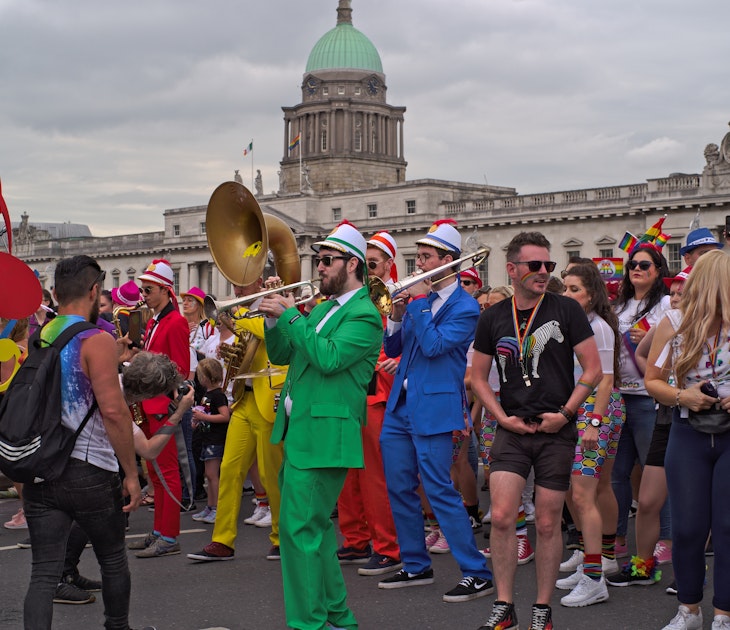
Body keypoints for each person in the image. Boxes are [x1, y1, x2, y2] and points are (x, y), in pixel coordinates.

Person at [471, 232, 601, 630]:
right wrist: (499, 416)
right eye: (535, 266)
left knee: (546, 522)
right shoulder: (494, 315)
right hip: (511, 428)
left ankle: (542, 609)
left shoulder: (565, 309)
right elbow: (476, 377)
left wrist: (566, 413)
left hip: (555, 430)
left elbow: (593, 370)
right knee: (504, 516)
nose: (544, 272)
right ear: (512, 270)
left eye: (549, 265)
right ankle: (505, 604)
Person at [258, 221, 382, 630]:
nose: (319, 267)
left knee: (297, 533)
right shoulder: (325, 308)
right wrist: (276, 317)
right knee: (315, 532)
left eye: (327, 260)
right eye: (318, 260)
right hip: (303, 429)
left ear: (353, 264)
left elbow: (328, 358)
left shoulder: (365, 315)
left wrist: (292, 314)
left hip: (327, 434)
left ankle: (307, 623)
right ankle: (337, 616)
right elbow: (282, 353)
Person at [22, 255, 142, 630]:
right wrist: (131, 473)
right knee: (111, 558)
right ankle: (117, 627)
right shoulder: (97, 339)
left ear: (55, 293)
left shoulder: (38, 336)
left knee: (43, 573)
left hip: (42, 466)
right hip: (89, 468)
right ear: (95, 291)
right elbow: (113, 411)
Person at [378, 219, 494, 603]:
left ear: (448, 261)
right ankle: (415, 564)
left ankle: (476, 572)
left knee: (439, 490)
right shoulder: (417, 303)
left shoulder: (465, 307)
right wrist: (396, 315)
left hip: (436, 407)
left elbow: (433, 347)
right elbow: (395, 350)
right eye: (420, 256)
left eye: (426, 257)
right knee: (399, 486)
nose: (419, 264)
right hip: (401, 405)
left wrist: (419, 304)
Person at [644, 250, 730, 630]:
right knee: (687, 527)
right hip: (687, 430)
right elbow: (652, 381)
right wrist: (684, 396)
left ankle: (724, 613)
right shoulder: (675, 322)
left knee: (727, 526)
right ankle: (689, 610)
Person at [187, 279, 286, 562]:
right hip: (244, 399)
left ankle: (280, 538)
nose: (236, 291)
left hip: (269, 400)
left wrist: (234, 317)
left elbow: (268, 336)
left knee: (271, 474)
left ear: (259, 282)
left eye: (242, 285)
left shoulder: (271, 305)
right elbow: (244, 354)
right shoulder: (241, 314)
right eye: (233, 285)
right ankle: (222, 540)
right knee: (229, 470)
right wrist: (228, 355)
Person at [605, 266, 690, 591]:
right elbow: (642, 353)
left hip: (703, 420)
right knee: (650, 499)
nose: (677, 296)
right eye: (676, 291)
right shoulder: (670, 321)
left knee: (695, 502)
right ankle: (644, 566)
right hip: (669, 415)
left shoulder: (717, 322)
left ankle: (693, 574)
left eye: (684, 291)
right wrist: (662, 381)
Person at [554, 263, 625, 606]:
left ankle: (595, 577)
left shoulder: (596, 327)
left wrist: (593, 424)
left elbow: (606, 379)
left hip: (596, 411)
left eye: (574, 289)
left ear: (593, 294)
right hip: (582, 411)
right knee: (585, 489)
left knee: (583, 494)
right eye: (564, 288)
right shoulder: (577, 324)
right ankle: (595, 559)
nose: (566, 294)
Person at [336, 230, 402, 576]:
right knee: (348, 475)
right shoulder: (356, 294)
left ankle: (388, 547)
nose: (367, 269)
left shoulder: (396, 296)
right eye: (363, 263)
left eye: (372, 263)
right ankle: (355, 538)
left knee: (375, 477)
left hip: (378, 393)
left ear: (389, 264)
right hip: (349, 391)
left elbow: (404, 343)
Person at [611, 244, 671, 559]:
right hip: (621, 398)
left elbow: (676, 342)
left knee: (656, 472)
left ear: (658, 270)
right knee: (617, 473)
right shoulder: (618, 305)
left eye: (645, 265)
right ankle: (618, 536)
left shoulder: (665, 304)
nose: (636, 269)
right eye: (632, 264)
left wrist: (650, 338)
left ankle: (667, 538)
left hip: (651, 399)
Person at [128, 259, 191, 556]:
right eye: (143, 289)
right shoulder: (154, 319)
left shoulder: (176, 321)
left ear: (166, 290)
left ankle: (169, 536)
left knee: (166, 471)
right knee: (155, 472)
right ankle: (158, 531)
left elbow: (181, 368)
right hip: (147, 401)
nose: (144, 294)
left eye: (149, 289)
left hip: (161, 403)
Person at [190, 358, 230, 525]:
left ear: (207, 377)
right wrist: (198, 421)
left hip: (215, 439)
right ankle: (210, 506)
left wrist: (203, 417)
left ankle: (217, 508)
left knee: (213, 475)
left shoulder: (218, 395)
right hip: (207, 437)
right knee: (209, 474)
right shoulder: (207, 394)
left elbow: (224, 416)